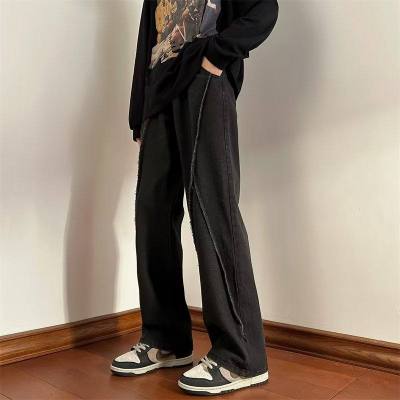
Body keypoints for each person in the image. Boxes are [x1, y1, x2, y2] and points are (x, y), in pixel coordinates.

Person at [110, 0, 279, 395]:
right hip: (161, 91)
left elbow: (264, 10)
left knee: (211, 209)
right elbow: (148, 40)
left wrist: (216, 57)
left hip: (205, 82)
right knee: (152, 211)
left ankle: (241, 356)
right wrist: (139, 112)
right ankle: (165, 337)